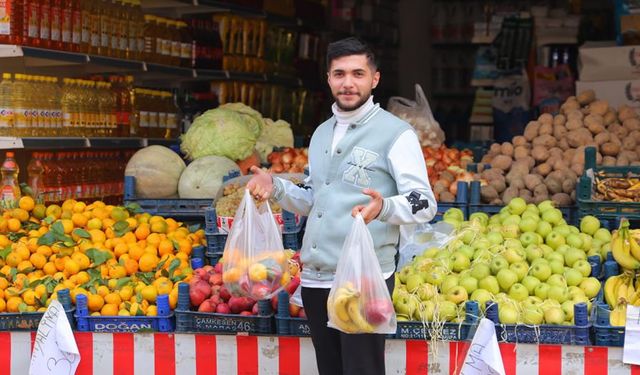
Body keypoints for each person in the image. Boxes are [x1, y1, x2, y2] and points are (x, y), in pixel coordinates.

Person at [247, 37, 437, 375]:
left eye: (358, 73)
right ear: (329, 78)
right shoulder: (321, 133)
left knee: (362, 369)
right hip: (317, 279)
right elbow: (315, 197)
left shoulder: (396, 133)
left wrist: (384, 208)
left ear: (374, 79)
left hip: (363, 279)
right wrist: (274, 187)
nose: (348, 83)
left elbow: (424, 203)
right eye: (339, 74)